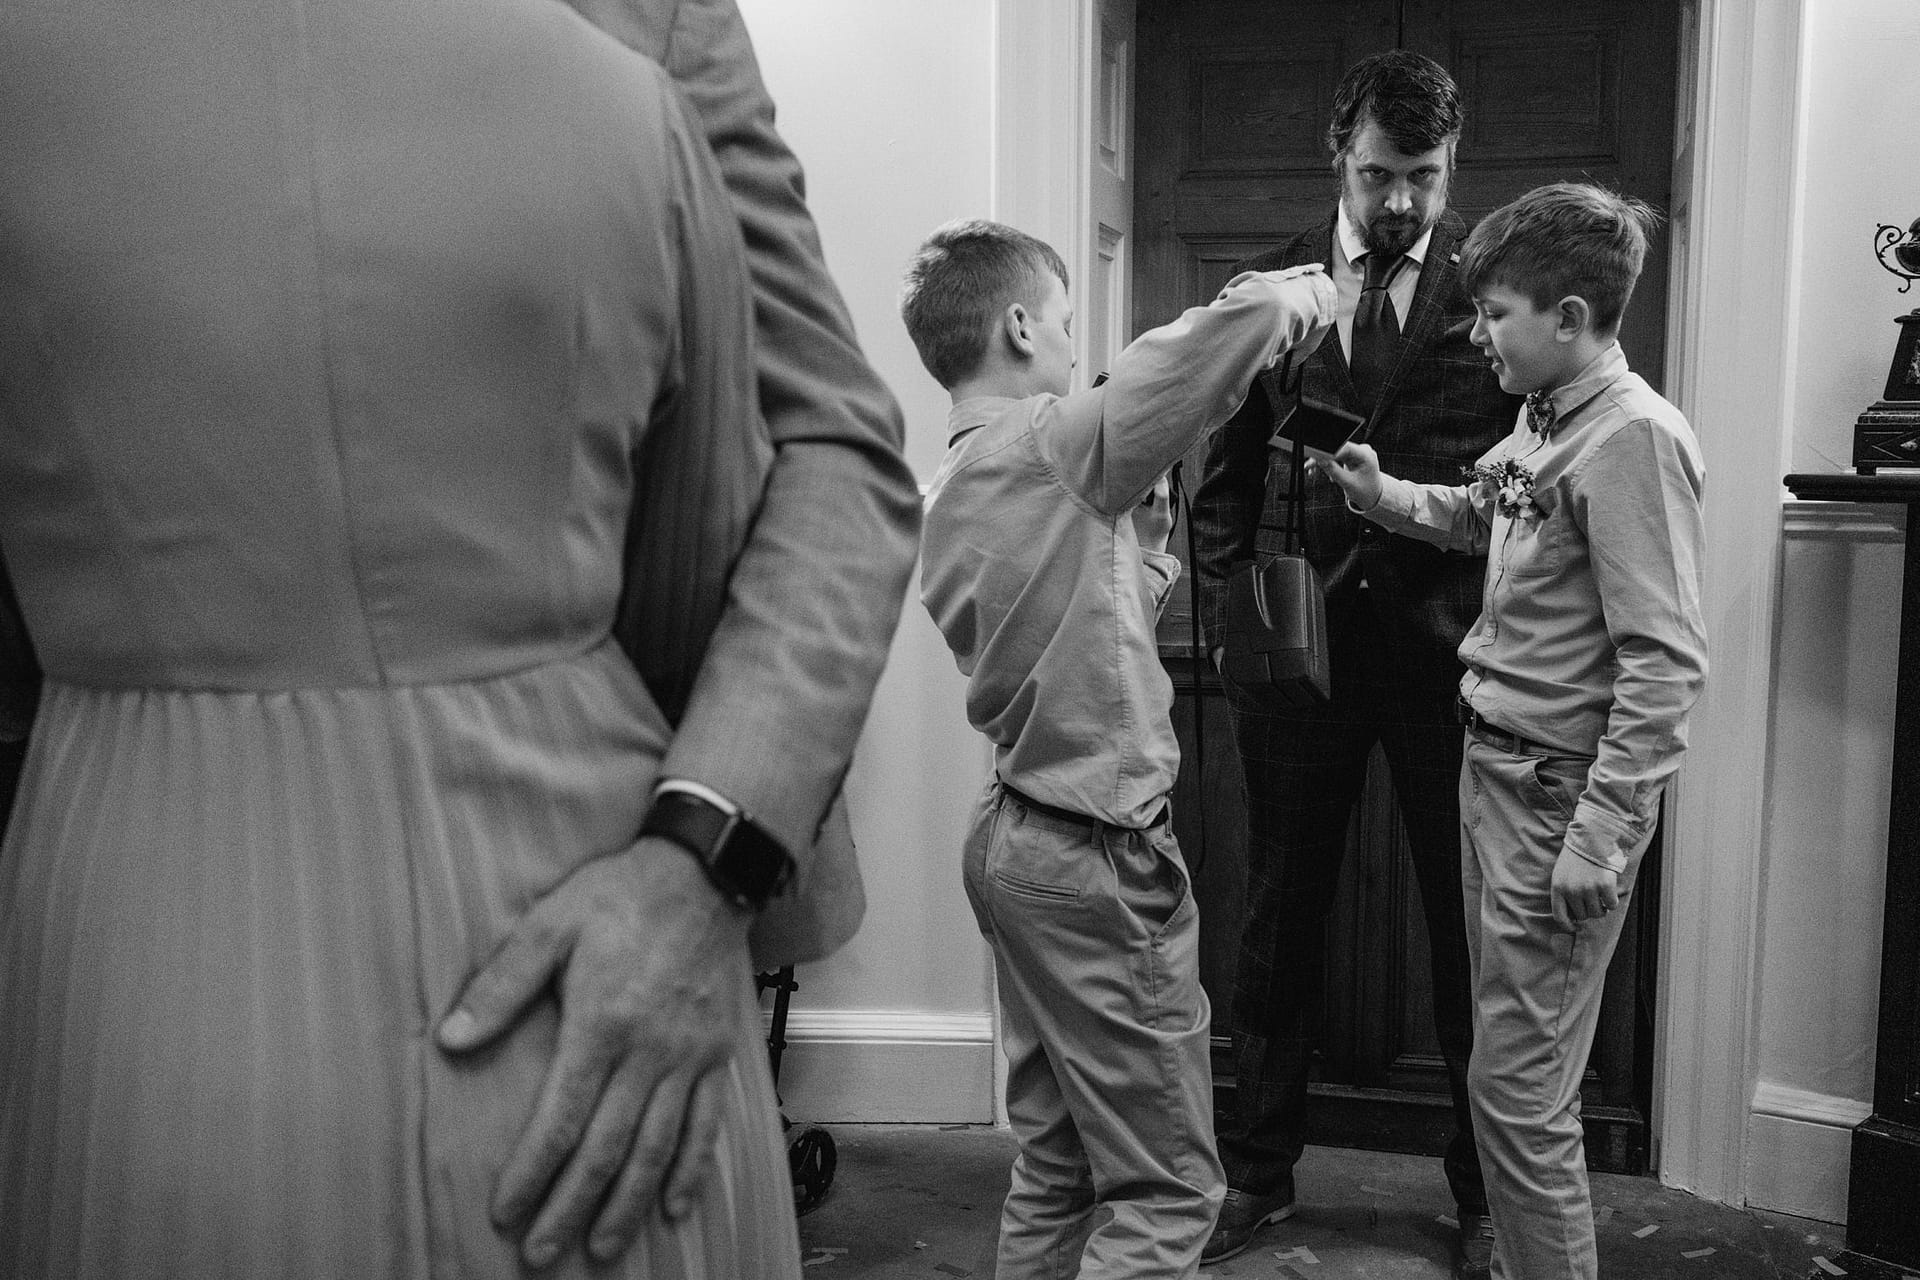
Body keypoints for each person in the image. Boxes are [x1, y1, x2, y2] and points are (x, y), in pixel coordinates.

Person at [0, 1, 919, 1277]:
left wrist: (709, 854)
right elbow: (686, 549)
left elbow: (830, 444)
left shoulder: (655, 24)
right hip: (143, 935)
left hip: (596, 928)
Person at [905, 219, 1335, 1279]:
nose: (1068, 343)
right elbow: (1231, 330)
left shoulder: (947, 493)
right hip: (1096, 864)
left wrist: (1140, 545)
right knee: (1169, 1186)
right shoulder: (1051, 444)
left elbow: (1074, 626)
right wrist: (1319, 288)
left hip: (1014, 843)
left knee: (1055, 1158)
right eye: (1059, 321)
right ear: (1016, 325)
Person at [1314, 182, 1706, 1280]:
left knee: (1524, 1097)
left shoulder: (1633, 442)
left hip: (1554, 802)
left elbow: (1666, 661)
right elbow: (1483, 514)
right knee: (1505, 1075)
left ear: (1573, 317)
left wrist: (1603, 834)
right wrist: (1383, 492)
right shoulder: (1543, 418)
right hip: (1493, 773)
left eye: (1495, 313)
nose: (1476, 331)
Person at [1188, 50, 1519, 1274]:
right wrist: (1232, 616)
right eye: (1380, 174)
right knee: (1276, 919)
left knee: (1468, 933)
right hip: (1297, 657)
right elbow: (1215, 479)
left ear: (1451, 167)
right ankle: (1258, 1174)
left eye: (1424, 177)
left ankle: (1485, 1196)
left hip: (1452, 659)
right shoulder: (1267, 289)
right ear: (1340, 154)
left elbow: (1524, 470)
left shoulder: (1498, 285)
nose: (1400, 203)